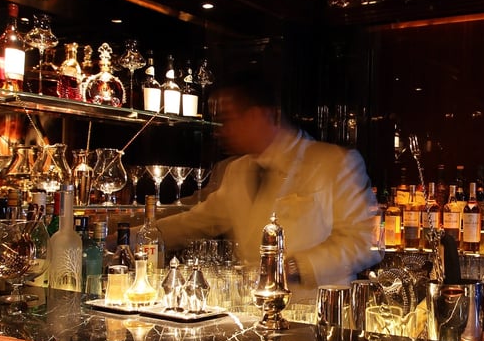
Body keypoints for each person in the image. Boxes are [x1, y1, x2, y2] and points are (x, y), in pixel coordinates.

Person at [157, 70, 378, 305]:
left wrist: (295, 267)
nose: (221, 131)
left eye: (228, 120)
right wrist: (140, 235)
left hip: (316, 312)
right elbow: (195, 222)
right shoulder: (237, 171)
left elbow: (365, 242)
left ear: (258, 115)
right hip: (254, 309)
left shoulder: (334, 163)